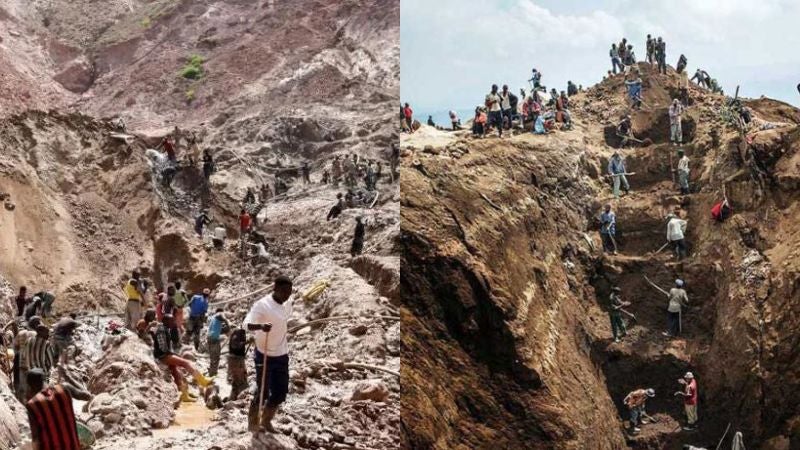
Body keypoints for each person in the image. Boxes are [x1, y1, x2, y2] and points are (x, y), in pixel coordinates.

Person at [244, 275, 294, 432]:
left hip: (281, 354)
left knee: (281, 392)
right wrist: (260, 326)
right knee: (263, 391)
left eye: (289, 292)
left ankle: (266, 420)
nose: (287, 295)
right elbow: (246, 324)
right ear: (275, 289)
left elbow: (291, 302)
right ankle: (253, 423)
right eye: (284, 292)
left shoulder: (287, 303)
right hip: (264, 354)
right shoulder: (262, 305)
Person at [151, 314, 213, 402]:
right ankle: (202, 381)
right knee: (186, 363)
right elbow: (163, 348)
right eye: (172, 321)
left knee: (176, 373)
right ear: (166, 321)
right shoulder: (161, 331)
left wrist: (174, 355)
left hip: (164, 355)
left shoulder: (165, 329)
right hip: (163, 356)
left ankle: (184, 395)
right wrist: (174, 355)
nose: (173, 322)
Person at [25, 368, 81, 450]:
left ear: (31, 386)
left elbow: (36, 440)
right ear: (45, 380)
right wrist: (70, 378)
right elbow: (87, 395)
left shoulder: (32, 405)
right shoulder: (64, 388)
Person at [13, 317, 40, 401]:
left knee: (18, 378)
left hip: (19, 358)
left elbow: (15, 346)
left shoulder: (21, 333)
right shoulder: (37, 335)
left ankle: (17, 395)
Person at [227, 327, 248, 401]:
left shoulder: (239, 333)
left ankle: (233, 399)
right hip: (235, 359)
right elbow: (235, 345)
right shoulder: (237, 334)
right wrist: (246, 342)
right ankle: (234, 400)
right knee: (238, 380)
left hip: (237, 358)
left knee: (237, 381)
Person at [206, 308, 229, 377]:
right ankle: (213, 374)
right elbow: (221, 315)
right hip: (214, 339)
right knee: (216, 356)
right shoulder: (219, 314)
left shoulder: (213, 318)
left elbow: (217, 329)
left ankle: (211, 370)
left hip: (209, 337)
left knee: (212, 356)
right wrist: (227, 322)